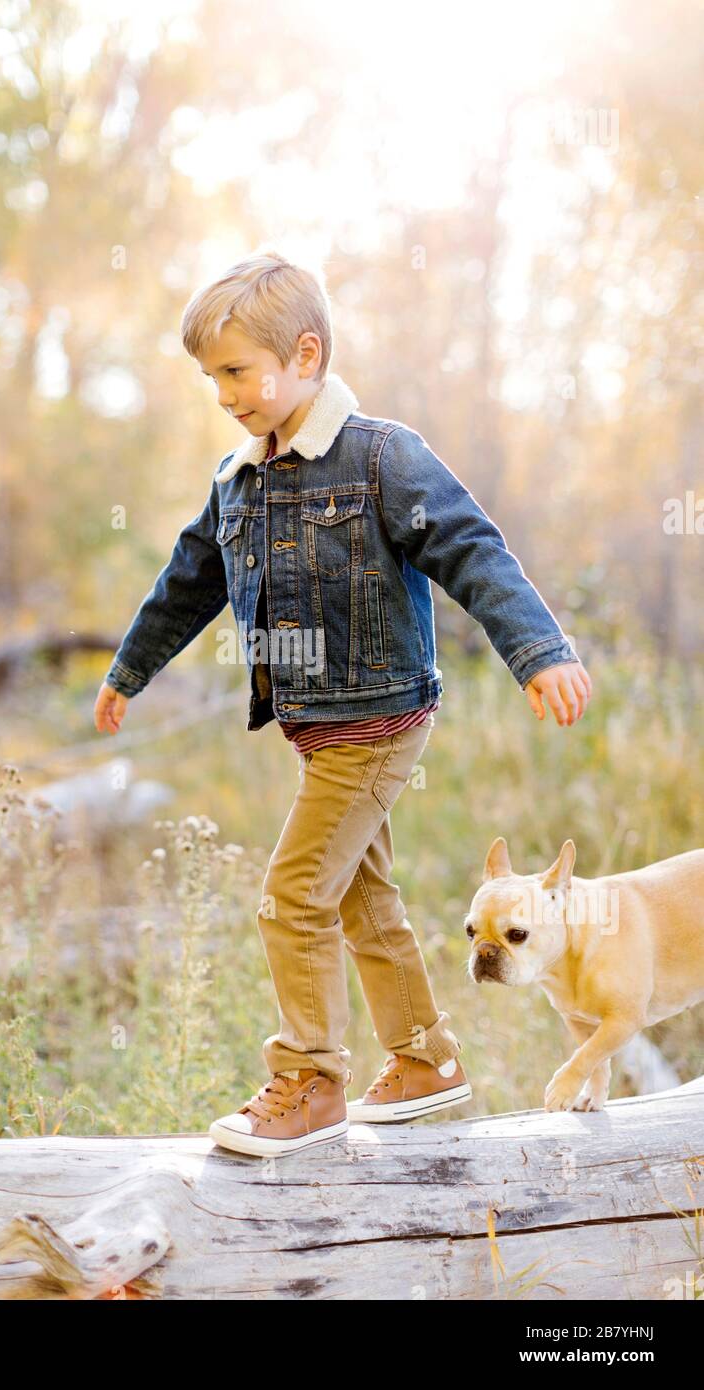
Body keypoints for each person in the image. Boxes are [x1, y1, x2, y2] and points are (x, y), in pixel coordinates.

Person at [94, 249, 593, 1157]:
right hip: (314, 732)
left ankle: (309, 1078)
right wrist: (128, 671)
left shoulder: (380, 458)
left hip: (380, 719)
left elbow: (473, 551)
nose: (223, 394)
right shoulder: (236, 480)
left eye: (237, 372)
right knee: (363, 903)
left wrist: (538, 652)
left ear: (306, 356)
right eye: (211, 377)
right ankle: (427, 1060)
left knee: (292, 895)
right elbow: (184, 583)